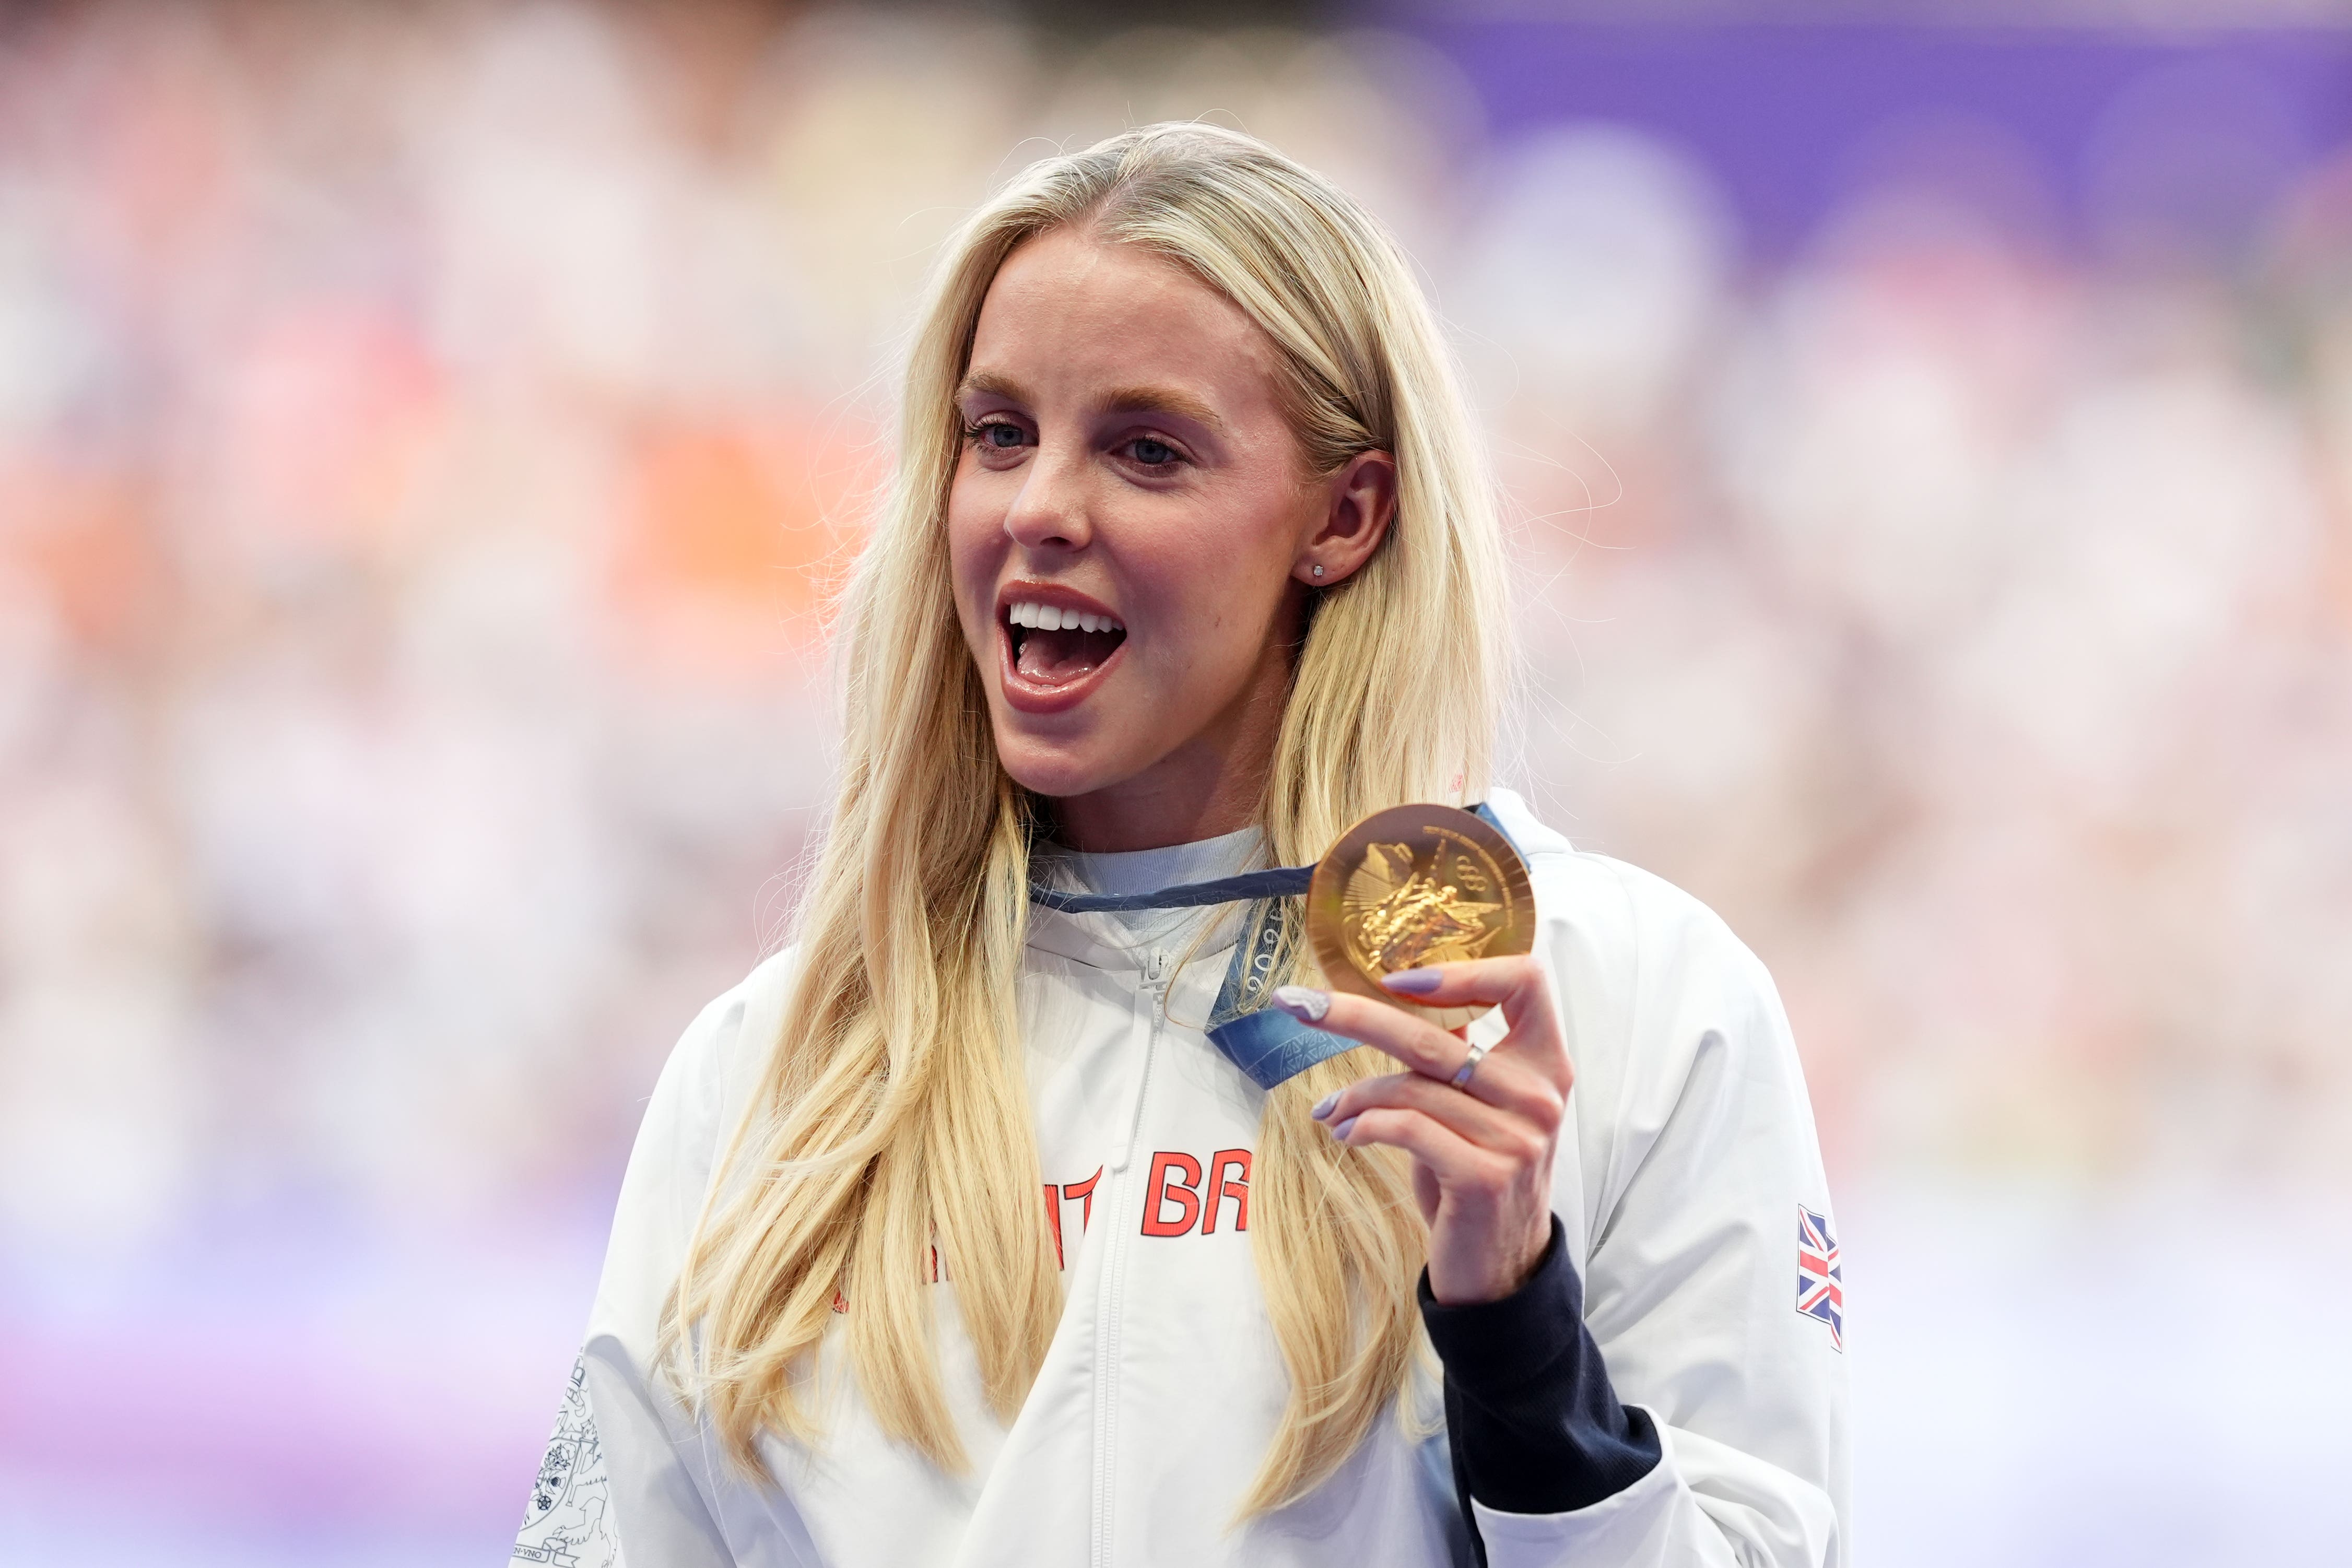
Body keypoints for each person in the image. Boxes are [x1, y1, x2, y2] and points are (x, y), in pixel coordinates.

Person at [510, 123, 1847, 1568]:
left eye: (1147, 450)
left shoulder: (1620, 999)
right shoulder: (778, 1066)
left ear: (1345, 515)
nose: (1037, 509)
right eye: (997, 432)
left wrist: (1520, 1331)